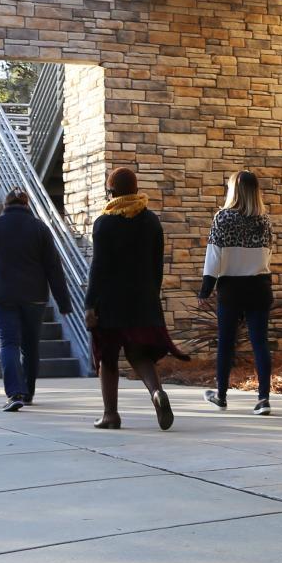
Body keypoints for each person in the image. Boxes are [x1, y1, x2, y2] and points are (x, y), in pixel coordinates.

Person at [85, 166, 187, 430]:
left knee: (108, 358)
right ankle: (157, 392)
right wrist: (152, 296)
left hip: (110, 302)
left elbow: (98, 268)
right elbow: (157, 266)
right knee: (139, 354)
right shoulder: (151, 221)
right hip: (143, 300)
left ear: (112, 192)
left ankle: (111, 415)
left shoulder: (103, 224)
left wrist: (89, 304)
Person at [0, 187, 72, 412]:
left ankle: (14, 392)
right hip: (34, 297)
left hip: (3, 296)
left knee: (8, 344)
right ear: (27, 206)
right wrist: (64, 302)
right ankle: (28, 392)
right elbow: (54, 268)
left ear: (4, 206)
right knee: (30, 346)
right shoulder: (40, 228)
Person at [199, 169, 274, 415]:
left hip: (231, 288)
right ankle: (263, 399)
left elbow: (214, 256)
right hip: (259, 286)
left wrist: (206, 289)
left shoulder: (223, 218)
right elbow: (267, 254)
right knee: (260, 343)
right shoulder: (264, 220)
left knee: (226, 344)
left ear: (233, 190)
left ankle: (221, 395)